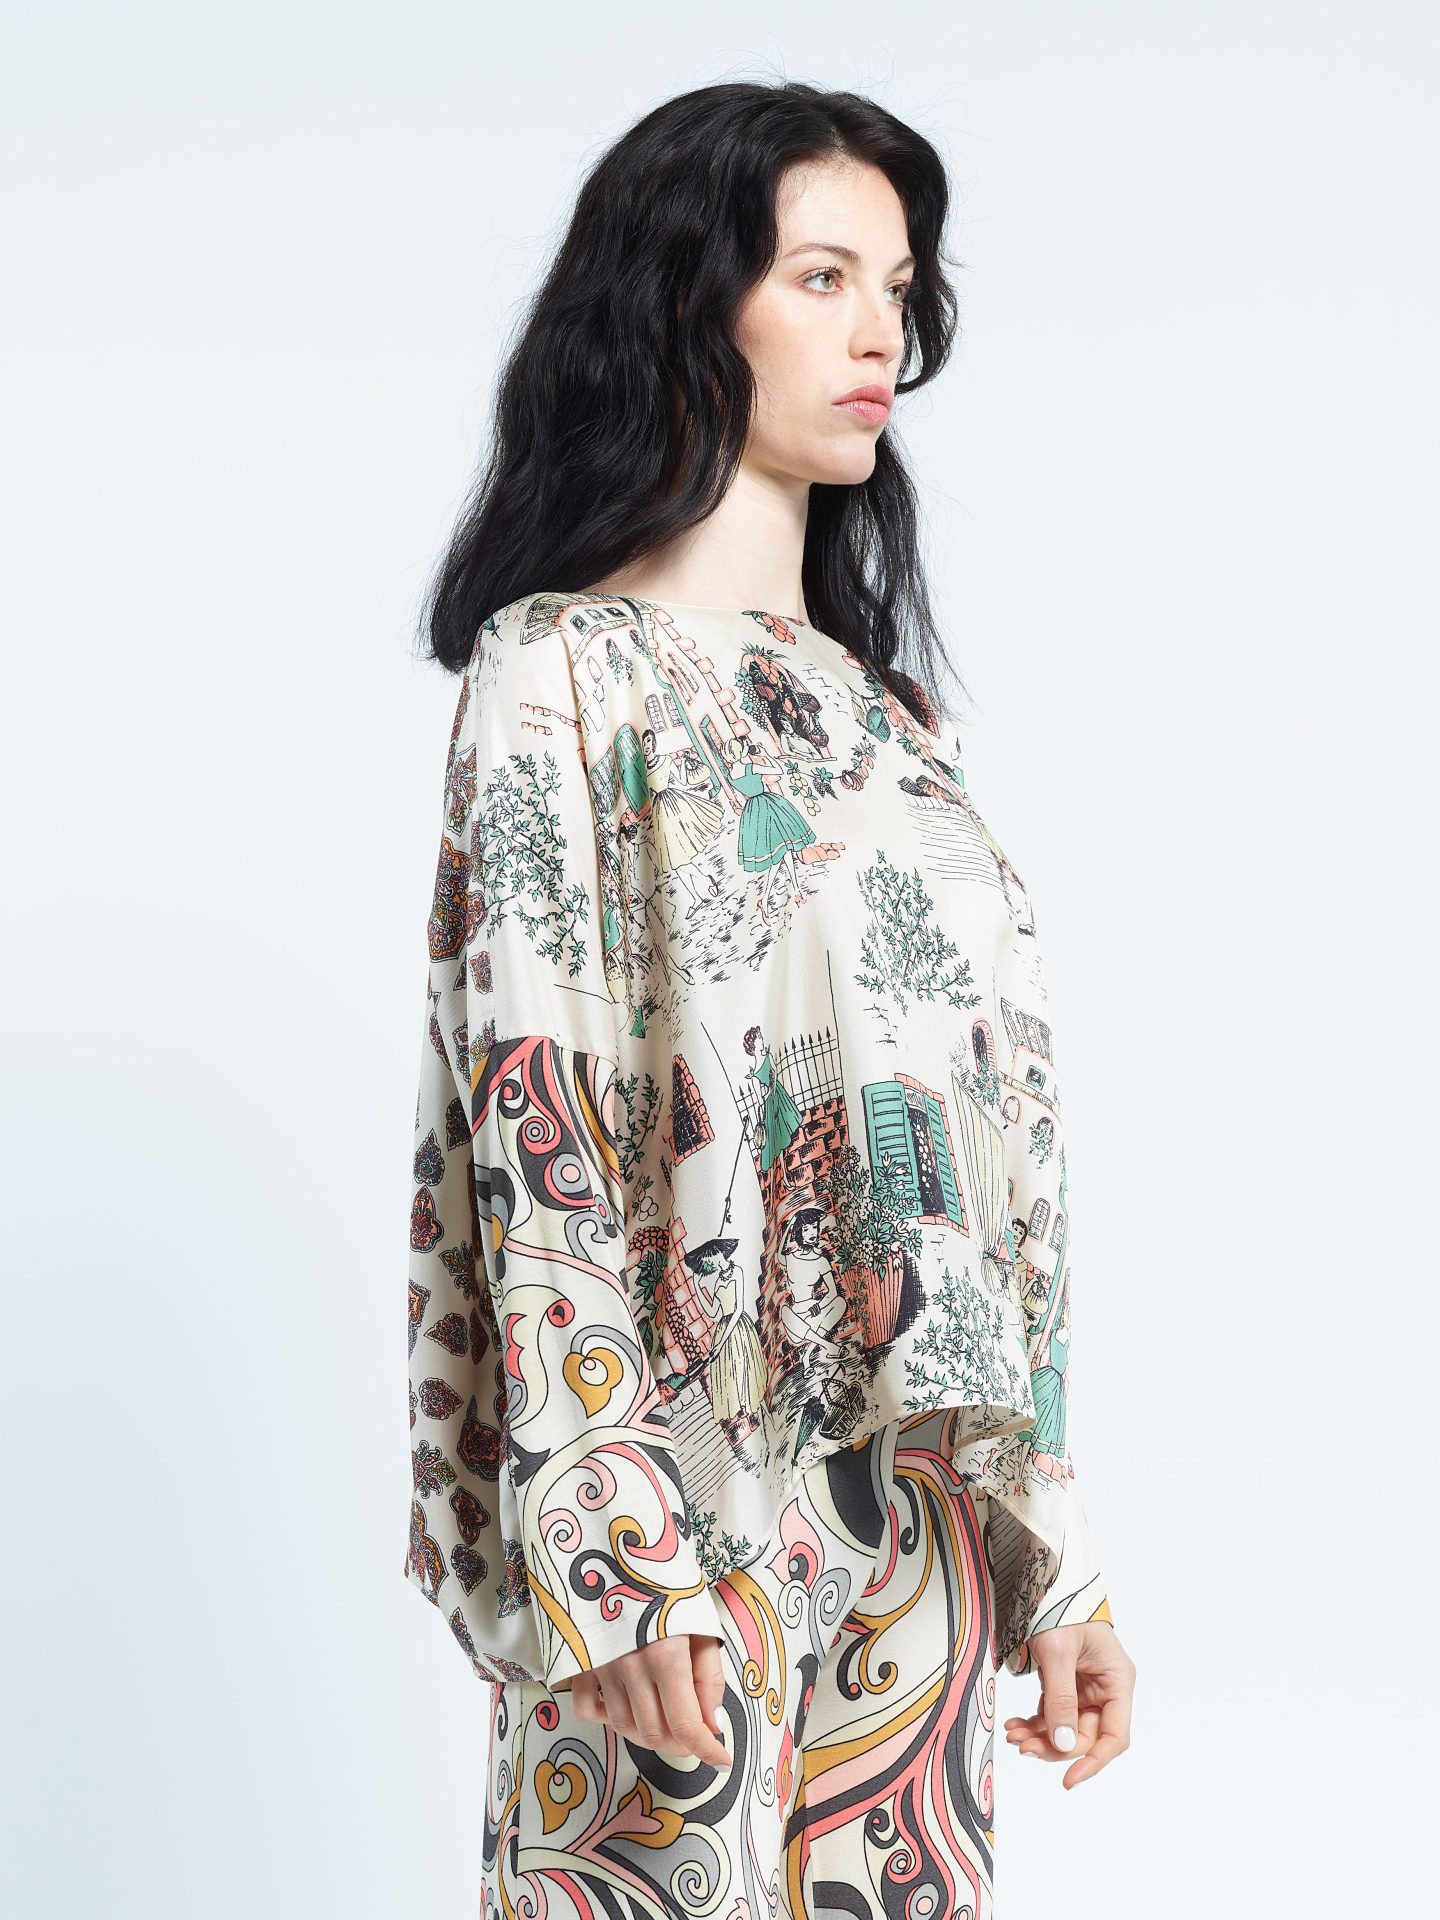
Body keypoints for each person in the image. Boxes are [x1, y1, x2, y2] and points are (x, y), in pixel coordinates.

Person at [403, 78, 1136, 1920]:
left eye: (897, 286)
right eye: (822, 276)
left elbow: (994, 1154)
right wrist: (606, 1541)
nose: (883, 330)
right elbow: (542, 1121)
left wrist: (1055, 1553)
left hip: (921, 1516)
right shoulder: (561, 675)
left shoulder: (891, 722)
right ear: (684, 298)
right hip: (677, 1493)